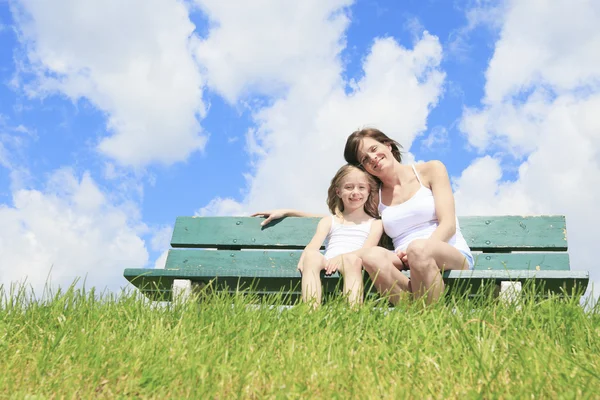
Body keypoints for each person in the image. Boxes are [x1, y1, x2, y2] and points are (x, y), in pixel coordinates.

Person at [343, 128, 473, 305]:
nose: (372, 158)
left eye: (373, 149)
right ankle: (416, 317)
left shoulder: (431, 170)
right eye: (365, 159)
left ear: (388, 145)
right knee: (371, 256)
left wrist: (420, 250)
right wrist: (293, 213)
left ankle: (430, 318)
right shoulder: (375, 197)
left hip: (449, 251)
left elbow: (448, 224)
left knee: (418, 249)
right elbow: (345, 215)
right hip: (403, 257)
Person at [254, 164, 383, 308]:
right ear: (338, 192)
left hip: (353, 262)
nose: (355, 192)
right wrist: (287, 212)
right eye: (349, 187)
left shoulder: (375, 223)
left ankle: (353, 313)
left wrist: (341, 258)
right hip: (328, 261)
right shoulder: (330, 220)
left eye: (361, 187)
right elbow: (313, 246)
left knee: (352, 260)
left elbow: (366, 250)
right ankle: (311, 311)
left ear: (369, 191)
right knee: (311, 256)